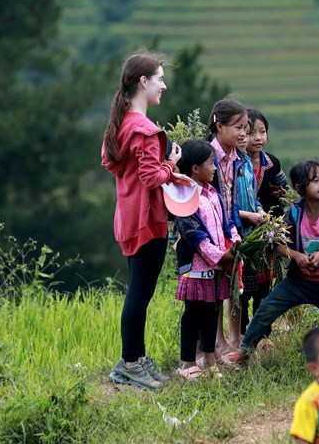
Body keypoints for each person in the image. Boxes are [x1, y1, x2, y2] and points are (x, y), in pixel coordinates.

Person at [222, 160, 319, 368]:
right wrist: (295, 256)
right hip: (299, 283)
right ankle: (244, 353)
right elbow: (277, 243)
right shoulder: (293, 214)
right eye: (315, 181)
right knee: (266, 310)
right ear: (299, 187)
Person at [102, 52, 181, 391]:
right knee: (139, 294)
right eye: (159, 78)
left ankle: (137, 356)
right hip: (148, 220)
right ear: (142, 82)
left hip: (128, 217)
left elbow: (112, 163)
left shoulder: (122, 125)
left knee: (139, 291)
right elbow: (151, 178)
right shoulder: (146, 130)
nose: (164, 85)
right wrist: (172, 164)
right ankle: (129, 363)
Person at [172, 140, 240, 381]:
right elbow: (193, 234)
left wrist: (235, 241)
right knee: (193, 313)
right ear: (194, 169)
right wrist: (219, 255)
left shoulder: (213, 194)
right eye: (210, 163)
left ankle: (209, 359)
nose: (214, 168)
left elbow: (226, 223)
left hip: (217, 264)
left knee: (212, 311)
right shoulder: (184, 197)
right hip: (197, 266)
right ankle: (187, 362)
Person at [207, 98, 266, 353]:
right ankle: (217, 341)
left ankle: (234, 339)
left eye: (246, 128)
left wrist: (233, 229)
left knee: (235, 285)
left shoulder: (235, 158)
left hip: (231, 229)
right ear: (219, 127)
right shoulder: (209, 157)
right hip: (212, 232)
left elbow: (231, 202)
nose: (244, 133)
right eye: (239, 127)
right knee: (217, 289)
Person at [238, 107, 288, 340]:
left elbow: (282, 196)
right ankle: (240, 332)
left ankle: (262, 335)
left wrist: (280, 225)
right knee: (241, 291)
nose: (258, 138)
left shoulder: (272, 164)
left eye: (263, 132)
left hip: (267, 235)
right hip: (243, 233)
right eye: (251, 132)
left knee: (264, 288)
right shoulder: (236, 164)